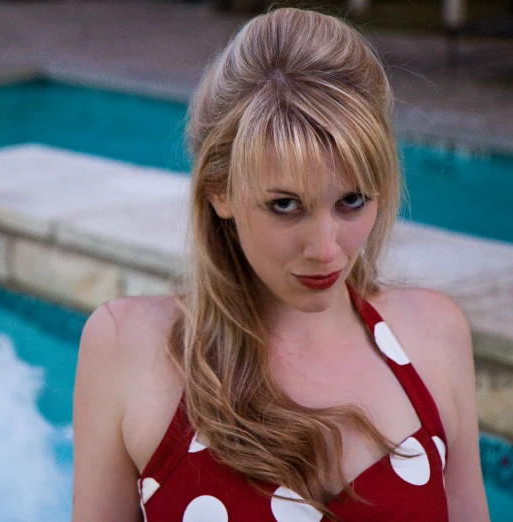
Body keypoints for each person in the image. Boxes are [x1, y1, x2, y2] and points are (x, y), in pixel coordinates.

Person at [72, 7, 490, 522]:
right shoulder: (125, 348)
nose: (326, 248)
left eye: (352, 201)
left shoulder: (435, 333)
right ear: (218, 191)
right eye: (285, 205)